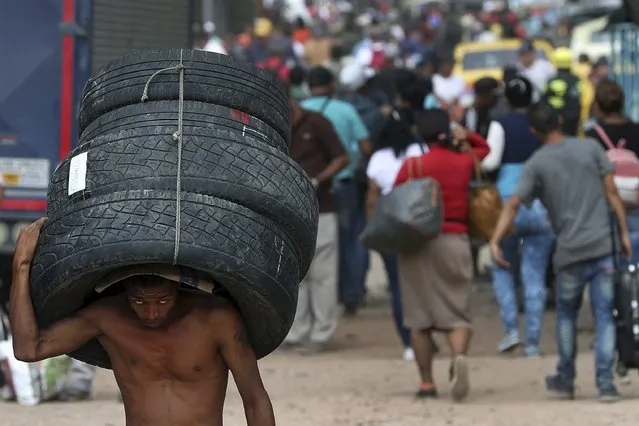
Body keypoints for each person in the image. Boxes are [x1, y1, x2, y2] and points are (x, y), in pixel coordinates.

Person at [10, 218, 276, 425]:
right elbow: (28, 349)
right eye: (138, 302)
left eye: (162, 301)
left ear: (179, 288)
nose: (151, 313)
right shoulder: (107, 318)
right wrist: (21, 266)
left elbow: (254, 399)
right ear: (123, 291)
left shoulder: (217, 319)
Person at [489, 103, 631, 402]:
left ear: (534, 131)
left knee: (566, 315)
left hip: (569, 253)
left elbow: (514, 204)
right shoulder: (590, 149)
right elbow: (612, 193)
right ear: (562, 120)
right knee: (605, 314)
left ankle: (565, 378)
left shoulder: (536, 164)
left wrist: (495, 239)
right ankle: (605, 384)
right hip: (603, 246)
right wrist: (622, 233)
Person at [393, 109, 490, 402]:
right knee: (457, 311)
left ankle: (426, 384)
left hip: (417, 243)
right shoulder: (463, 162)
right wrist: (467, 136)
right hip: (455, 240)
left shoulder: (412, 165)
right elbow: (485, 150)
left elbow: (396, 198)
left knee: (419, 318)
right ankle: (458, 355)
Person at [483, 76, 554, 356]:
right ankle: (534, 342)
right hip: (541, 204)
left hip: (506, 204)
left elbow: (490, 161)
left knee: (502, 267)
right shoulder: (542, 124)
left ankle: (512, 331)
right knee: (534, 274)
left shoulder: (501, 123)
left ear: (507, 99)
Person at [365, 79, 430, 362]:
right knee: (422, 281)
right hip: (419, 222)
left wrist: (372, 230)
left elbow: (371, 197)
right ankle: (425, 333)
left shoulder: (378, 158)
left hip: (391, 225)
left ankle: (408, 341)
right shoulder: (420, 153)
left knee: (397, 285)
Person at [301, 66, 372, 315]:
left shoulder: (301, 113)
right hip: (345, 185)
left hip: (311, 187)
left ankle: (312, 310)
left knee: (316, 249)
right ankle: (352, 295)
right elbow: (365, 145)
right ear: (332, 86)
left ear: (309, 87)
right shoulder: (346, 110)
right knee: (352, 240)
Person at [283, 95, 349, 354]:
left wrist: (319, 179)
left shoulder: (317, 123)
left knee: (323, 275)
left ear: (296, 106)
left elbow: (342, 158)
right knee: (296, 275)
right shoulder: (276, 125)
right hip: (289, 211)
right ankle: (296, 331)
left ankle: (322, 333)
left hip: (322, 208)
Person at [542, 47, 582, 136]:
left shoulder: (552, 81)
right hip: (573, 121)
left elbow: (544, 100)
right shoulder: (576, 80)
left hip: (556, 123)